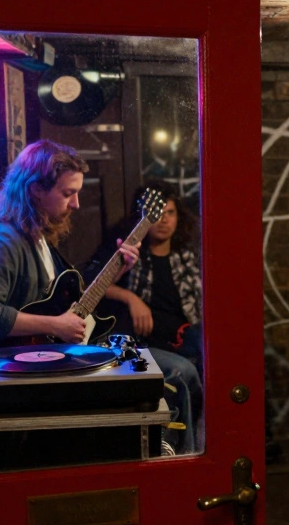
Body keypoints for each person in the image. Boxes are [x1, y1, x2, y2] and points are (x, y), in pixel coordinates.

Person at [0, 139, 138, 348]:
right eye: (67, 193)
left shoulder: (36, 234)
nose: (76, 204)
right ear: (36, 189)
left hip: (43, 359)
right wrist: (55, 326)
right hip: (15, 371)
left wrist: (117, 271)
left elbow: (59, 305)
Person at [86, 180, 203, 453]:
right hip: (143, 342)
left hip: (184, 338)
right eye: (157, 214)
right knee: (184, 372)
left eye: (170, 213)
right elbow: (91, 284)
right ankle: (184, 455)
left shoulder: (189, 256)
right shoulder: (129, 255)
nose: (163, 221)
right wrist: (131, 297)